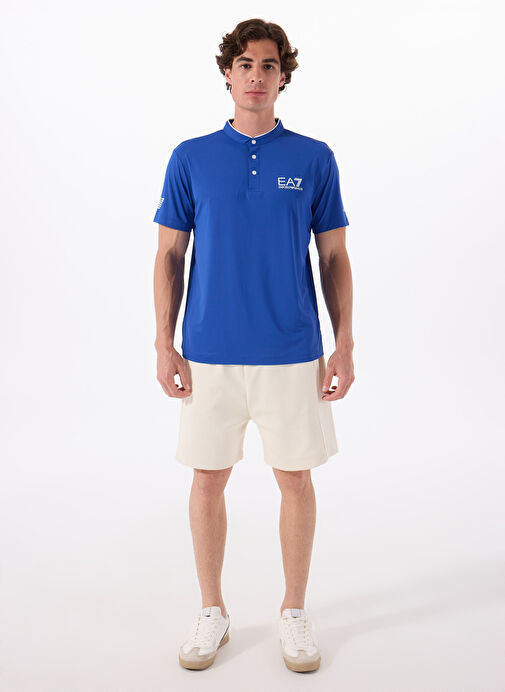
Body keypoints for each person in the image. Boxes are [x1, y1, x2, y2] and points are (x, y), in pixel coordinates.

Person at [152, 18, 355, 673]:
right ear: (227, 73)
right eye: (244, 64)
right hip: (207, 350)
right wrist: (163, 343)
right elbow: (168, 255)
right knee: (207, 479)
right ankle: (211, 609)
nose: (256, 76)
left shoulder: (313, 158)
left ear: (283, 75)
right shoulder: (190, 157)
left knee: (294, 480)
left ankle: (293, 611)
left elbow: (333, 257)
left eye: (268, 65)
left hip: (292, 351)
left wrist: (344, 344)